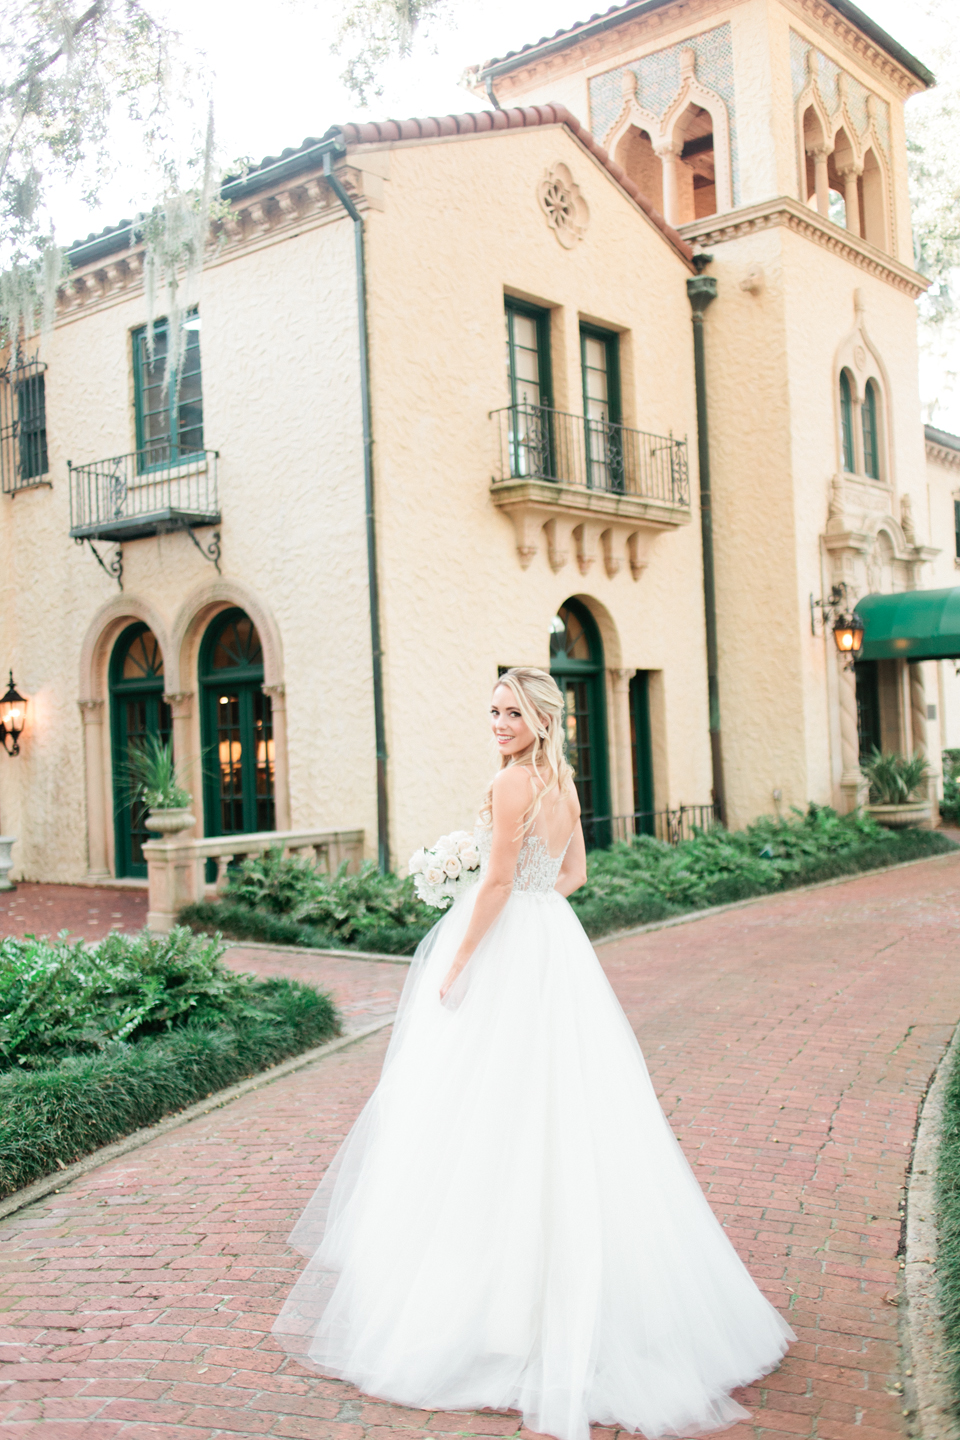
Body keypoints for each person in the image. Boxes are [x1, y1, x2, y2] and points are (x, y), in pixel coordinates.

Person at [272, 666, 793, 1440]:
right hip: (555, 944)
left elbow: (497, 883)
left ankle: (493, 1314)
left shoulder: (512, 782)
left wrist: (459, 959)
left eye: (512, 712)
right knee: (562, 1109)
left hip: (510, 945)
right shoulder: (566, 787)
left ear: (542, 719)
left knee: (487, 1112)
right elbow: (572, 874)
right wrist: (532, 907)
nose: (499, 722)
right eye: (492, 711)